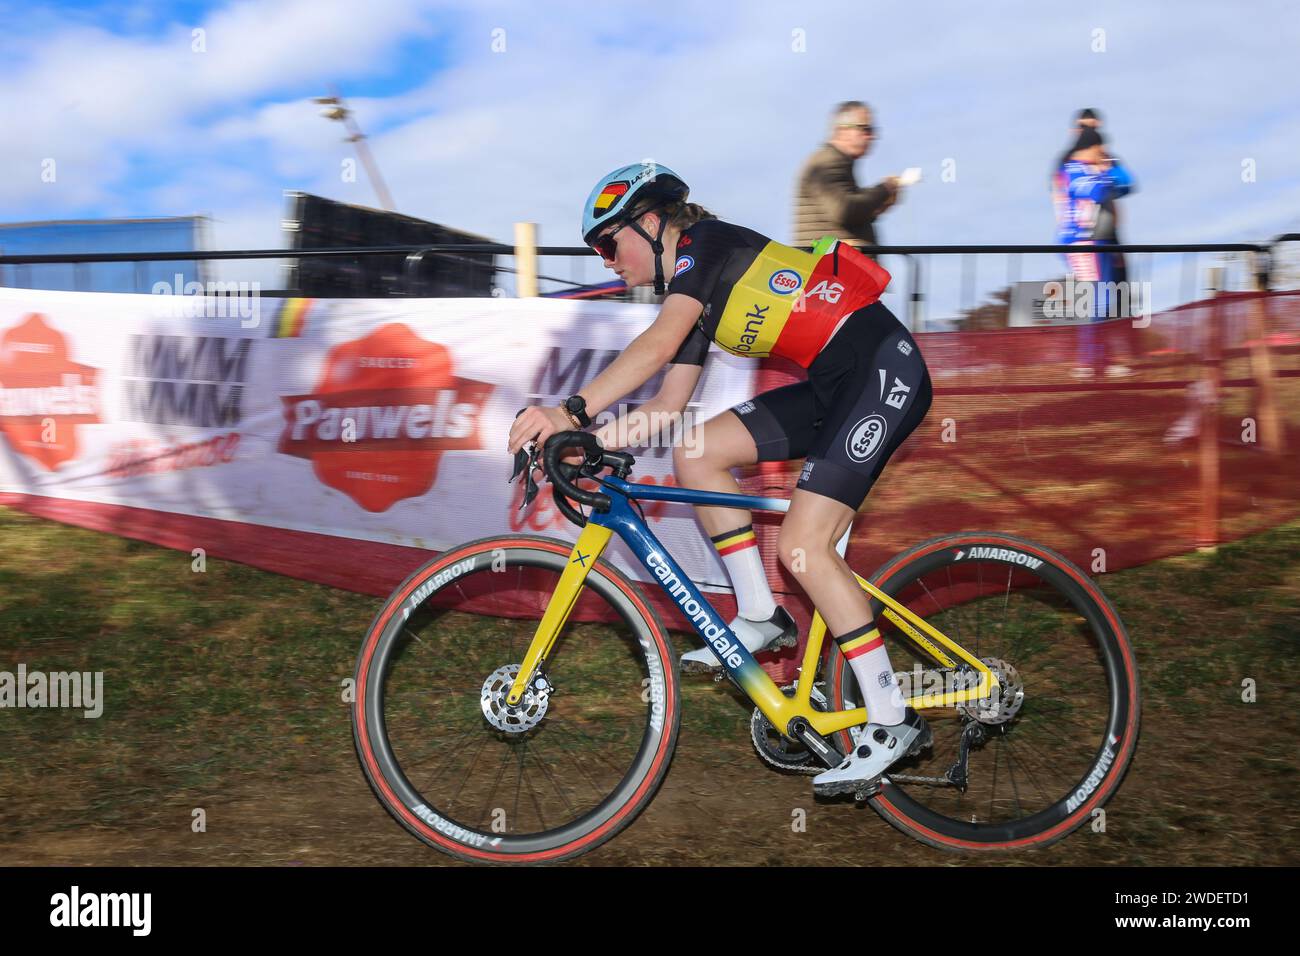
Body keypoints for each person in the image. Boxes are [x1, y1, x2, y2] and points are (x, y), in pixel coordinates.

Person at [508, 162, 934, 796]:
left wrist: (569, 410)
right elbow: (662, 410)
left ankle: (891, 719)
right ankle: (760, 614)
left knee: (802, 545)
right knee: (697, 451)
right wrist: (583, 444)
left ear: (650, 223)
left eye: (608, 243)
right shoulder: (695, 296)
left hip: (880, 371)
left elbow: (653, 348)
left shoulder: (706, 247)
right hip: (833, 386)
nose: (606, 261)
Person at [1053, 125, 1137, 378]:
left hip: (1097, 242)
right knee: (1099, 299)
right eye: (1099, 149)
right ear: (1090, 147)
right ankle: (1089, 362)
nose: (1103, 154)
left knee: (1104, 298)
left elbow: (1129, 184)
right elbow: (1095, 190)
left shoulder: (1092, 168)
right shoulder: (1073, 169)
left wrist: (1108, 168)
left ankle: (1100, 359)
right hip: (1083, 242)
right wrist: (1104, 173)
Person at [793, 101, 900, 253]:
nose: (872, 136)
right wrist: (885, 189)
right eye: (865, 129)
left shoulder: (834, 161)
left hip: (830, 267)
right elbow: (844, 209)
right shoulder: (827, 161)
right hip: (830, 269)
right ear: (842, 129)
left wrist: (879, 206)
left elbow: (849, 216)